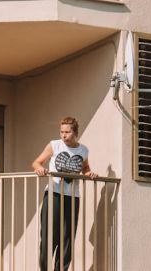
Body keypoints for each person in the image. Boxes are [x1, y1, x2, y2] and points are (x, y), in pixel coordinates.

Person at [32, 116, 97, 271]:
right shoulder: (54, 145)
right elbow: (36, 162)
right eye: (62, 132)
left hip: (72, 197)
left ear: (75, 133)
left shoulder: (83, 150)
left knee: (67, 238)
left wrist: (89, 173)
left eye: (67, 132)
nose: (63, 135)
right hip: (54, 193)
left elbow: (85, 168)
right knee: (49, 236)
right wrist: (39, 169)